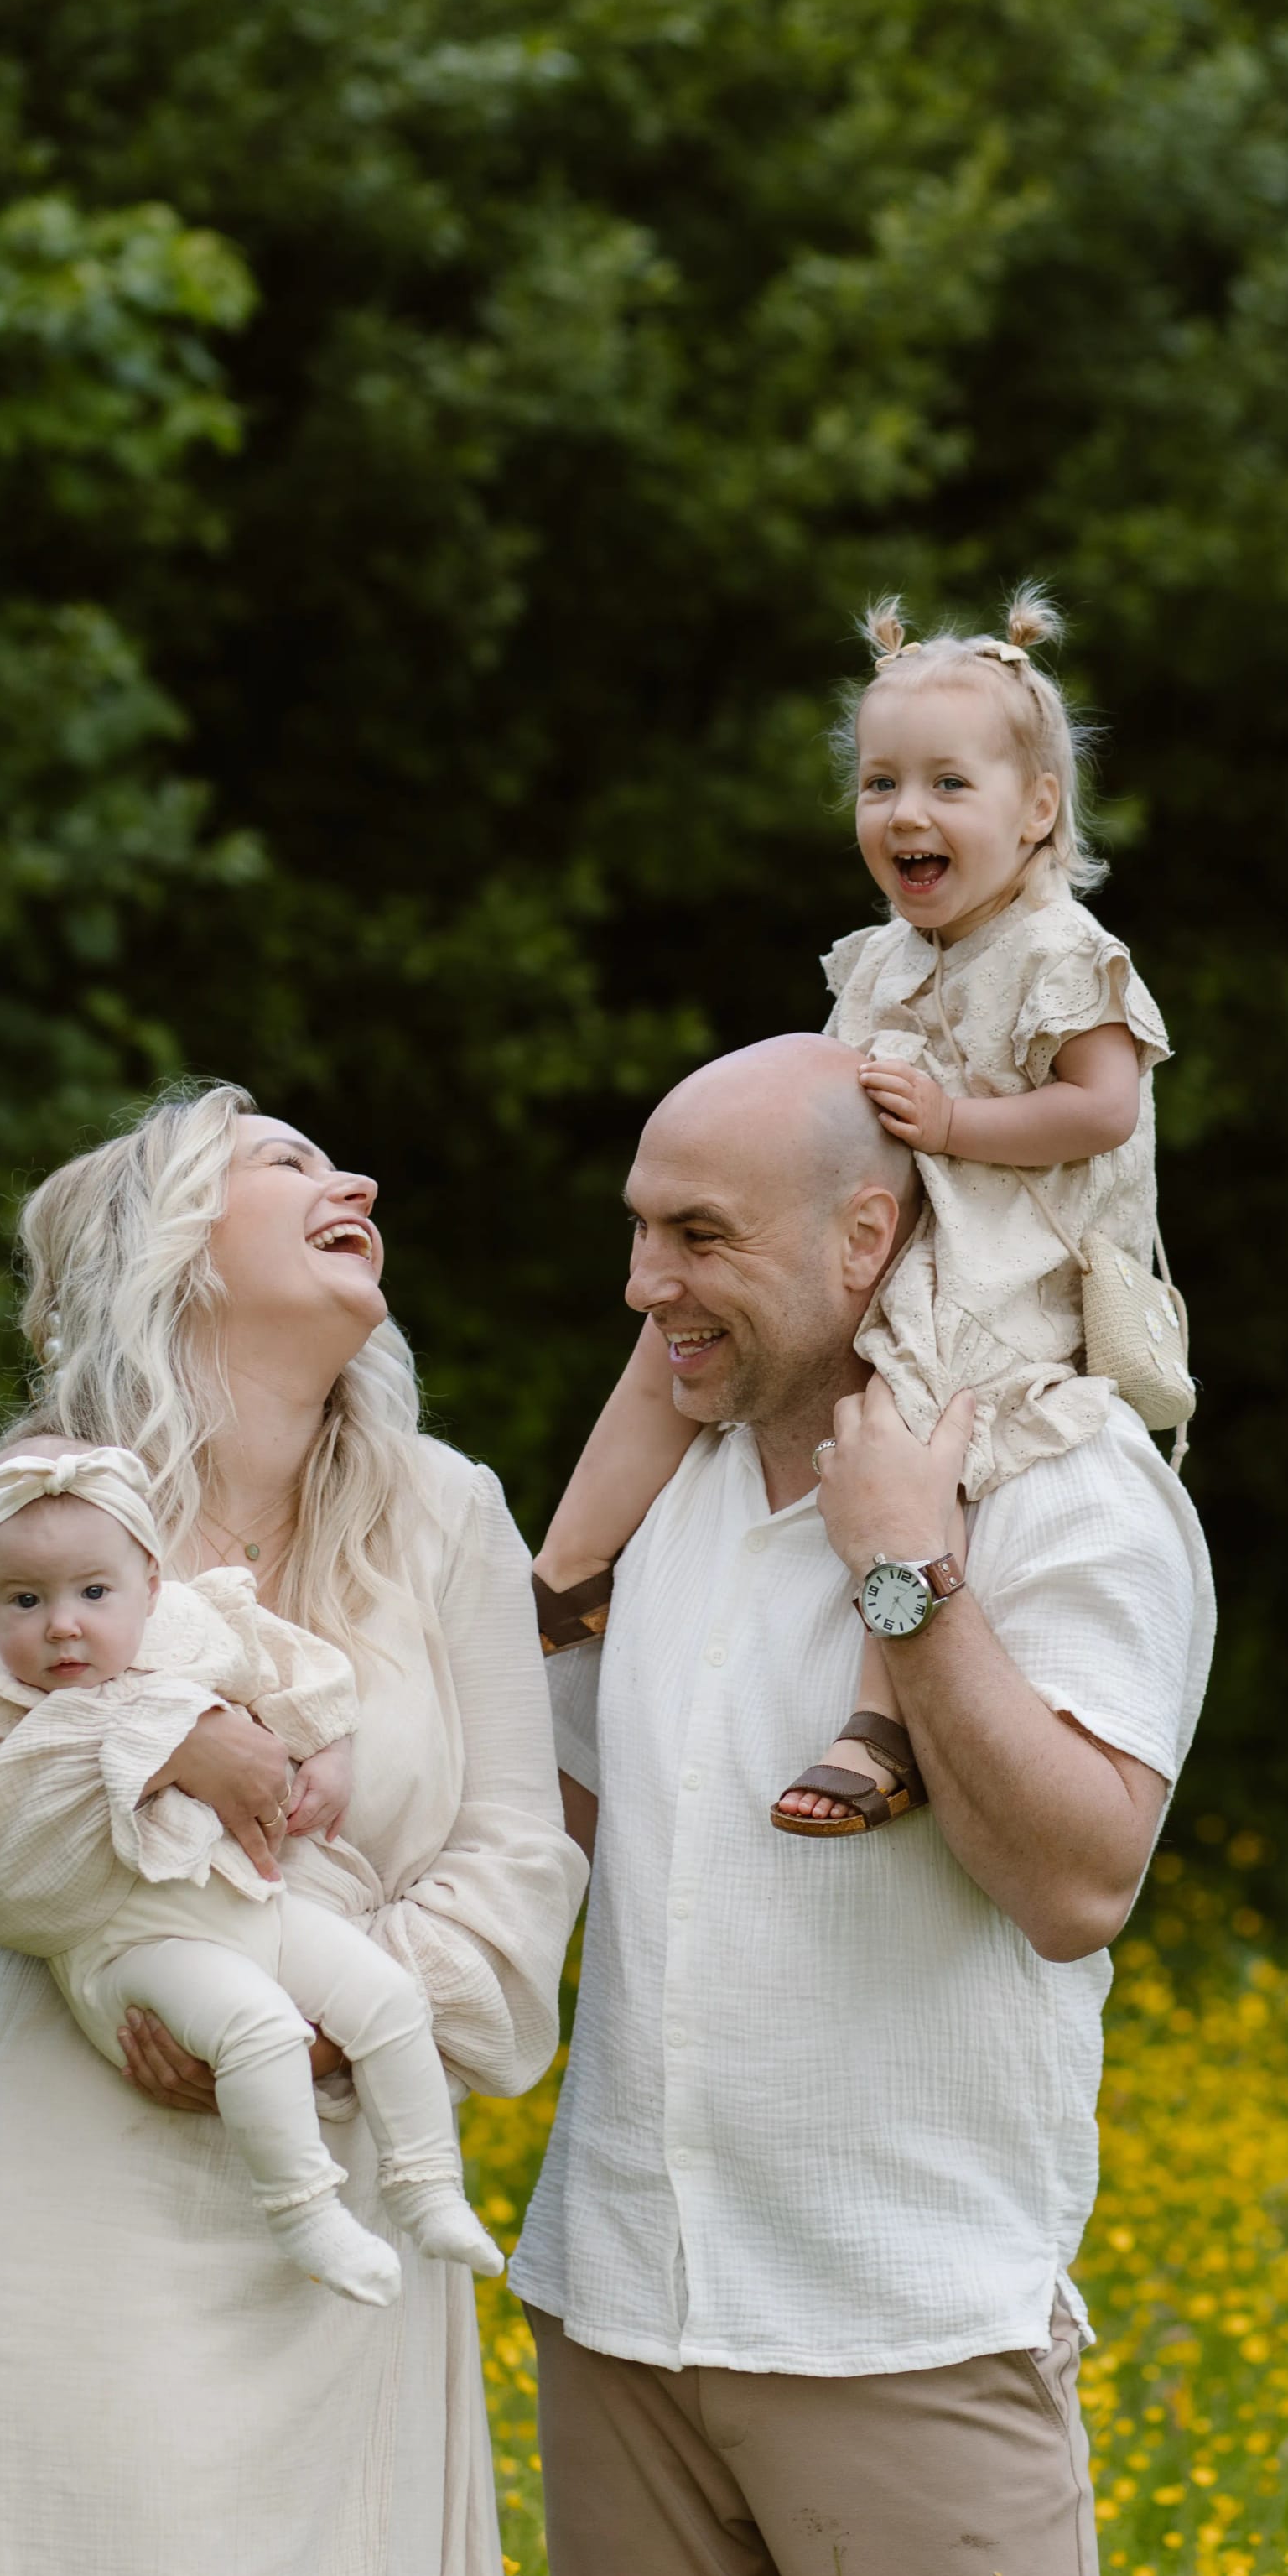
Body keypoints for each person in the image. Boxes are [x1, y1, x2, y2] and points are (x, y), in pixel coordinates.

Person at [0, 1081, 586, 2576]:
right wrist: (157, 1754)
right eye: (290, 1165)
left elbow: (514, 1856)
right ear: (172, 1248)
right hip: (60, 2231)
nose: (355, 1180)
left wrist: (327, 2011)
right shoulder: (16, 1517)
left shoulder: (446, 1512)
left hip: (340, 2218)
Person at [509, 1031, 1215, 2576]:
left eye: (696, 1236)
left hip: (900, 2322)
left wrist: (904, 1574)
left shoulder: (1067, 1493)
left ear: (866, 1237)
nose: (644, 1284)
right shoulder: (657, 1494)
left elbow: (1075, 1882)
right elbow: (531, 1823)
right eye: (638, 1232)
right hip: (619, 2311)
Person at [533, 586, 1178, 1833]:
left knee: (914, 1401)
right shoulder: (882, 956)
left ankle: (885, 1714)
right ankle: (568, 1573)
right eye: (882, 786)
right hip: (896, 1217)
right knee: (677, 1315)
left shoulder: (1060, 951)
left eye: (948, 785)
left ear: (1037, 808)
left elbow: (1101, 1110)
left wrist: (955, 1127)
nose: (906, 814)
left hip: (1009, 1244)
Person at [0, 1439, 500, 2302]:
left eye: (93, 1593)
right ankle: (305, 2212)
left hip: (248, 1897)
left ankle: (427, 2183)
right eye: (25, 1601)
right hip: (129, 1941)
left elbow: (293, 1665)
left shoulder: (187, 1626)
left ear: (149, 1578)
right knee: (259, 2028)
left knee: (391, 1999)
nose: (62, 1625)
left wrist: (325, 1747)